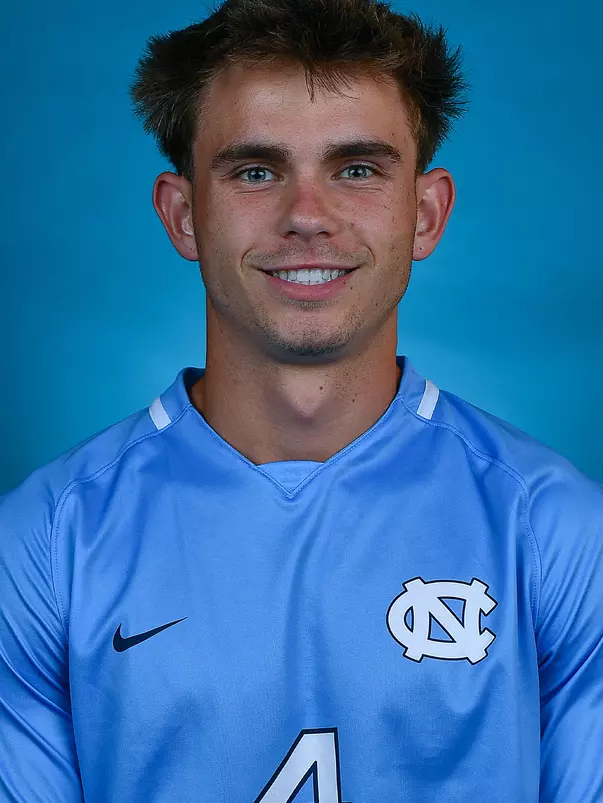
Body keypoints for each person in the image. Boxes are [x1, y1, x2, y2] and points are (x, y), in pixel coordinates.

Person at [1, 0, 602, 799]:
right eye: (256, 170)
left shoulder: (556, 530)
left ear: (425, 213)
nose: (307, 218)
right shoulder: (44, 544)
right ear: (183, 214)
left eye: (357, 169)